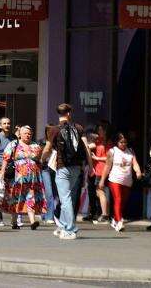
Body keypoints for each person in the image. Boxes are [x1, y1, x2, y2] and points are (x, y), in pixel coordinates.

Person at [41, 103, 92, 240]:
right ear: (69, 113)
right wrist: (90, 166)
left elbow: (47, 149)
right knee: (68, 196)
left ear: (59, 114)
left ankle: (70, 229)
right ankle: (63, 226)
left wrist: (42, 159)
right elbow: (86, 148)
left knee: (65, 198)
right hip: (77, 167)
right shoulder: (79, 128)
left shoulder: (54, 130)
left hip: (62, 167)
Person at [1, 125, 46, 229]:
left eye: (29, 133)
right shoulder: (13, 144)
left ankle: (32, 222)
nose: (28, 135)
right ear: (20, 134)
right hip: (17, 178)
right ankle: (14, 222)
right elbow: (5, 158)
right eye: (25, 133)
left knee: (31, 198)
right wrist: (2, 172)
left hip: (33, 179)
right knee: (17, 198)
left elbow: (40, 160)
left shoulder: (35, 145)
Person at [98, 131, 141, 232]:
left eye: (125, 142)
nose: (123, 144)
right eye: (121, 142)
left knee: (123, 201)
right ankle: (119, 221)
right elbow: (107, 167)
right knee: (118, 199)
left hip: (127, 180)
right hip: (115, 179)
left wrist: (138, 171)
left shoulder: (130, 151)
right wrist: (102, 180)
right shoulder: (112, 151)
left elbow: (135, 163)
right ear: (117, 142)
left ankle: (115, 218)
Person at [88, 120, 112, 224]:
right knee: (101, 192)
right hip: (98, 169)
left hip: (102, 169)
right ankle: (106, 213)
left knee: (100, 191)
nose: (99, 131)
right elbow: (88, 146)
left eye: (101, 130)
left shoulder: (108, 143)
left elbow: (109, 158)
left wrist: (97, 157)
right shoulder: (98, 141)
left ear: (105, 131)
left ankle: (105, 214)